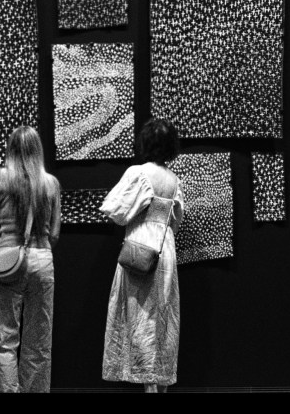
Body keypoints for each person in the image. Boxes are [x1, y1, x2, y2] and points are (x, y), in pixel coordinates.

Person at [100, 118, 185, 392]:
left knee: (141, 316)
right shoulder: (173, 180)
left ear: (146, 143)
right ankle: (159, 385)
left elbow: (116, 210)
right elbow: (176, 220)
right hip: (165, 248)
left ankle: (147, 385)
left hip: (141, 247)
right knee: (162, 317)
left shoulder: (138, 173)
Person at [0, 125, 62, 393]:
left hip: (10, 261)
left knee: (6, 339)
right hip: (43, 259)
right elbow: (54, 234)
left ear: (11, 149)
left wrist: (3, 248)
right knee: (39, 341)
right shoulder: (51, 183)